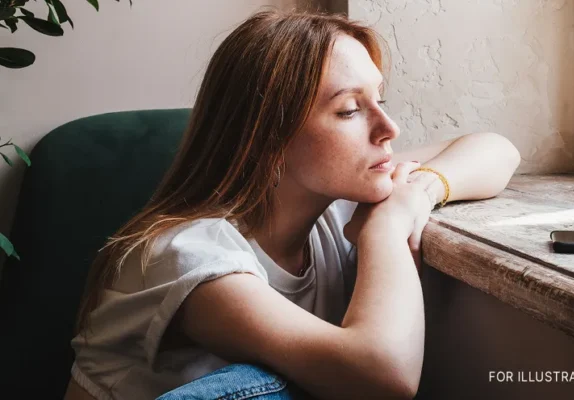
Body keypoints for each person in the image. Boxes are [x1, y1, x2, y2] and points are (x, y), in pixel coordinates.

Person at [63, 9, 520, 400]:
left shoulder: (334, 196)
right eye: (349, 111)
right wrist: (386, 227)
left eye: (380, 99)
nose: (390, 128)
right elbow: (384, 375)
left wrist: (421, 191)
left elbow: (496, 149)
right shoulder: (190, 258)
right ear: (268, 138)